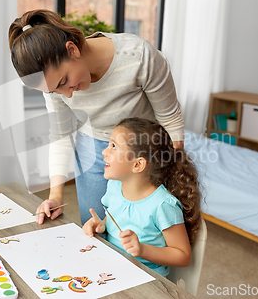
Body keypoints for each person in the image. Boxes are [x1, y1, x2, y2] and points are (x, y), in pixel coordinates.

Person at [8, 9, 184, 225]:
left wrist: (174, 175)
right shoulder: (57, 87)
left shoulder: (139, 57)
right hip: (93, 148)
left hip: (143, 150)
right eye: (55, 91)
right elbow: (61, 135)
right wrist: (55, 196)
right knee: (95, 228)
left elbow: (171, 120)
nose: (68, 95)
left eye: (63, 82)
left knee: (143, 230)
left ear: (72, 49)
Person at [82, 118, 201, 277]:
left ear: (137, 165)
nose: (104, 152)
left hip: (146, 279)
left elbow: (183, 256)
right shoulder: (114, 186)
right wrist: (102, 226)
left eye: (113, 146)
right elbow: (115, 219)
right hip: (111, 270)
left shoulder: (163, 205)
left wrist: (141, 249)